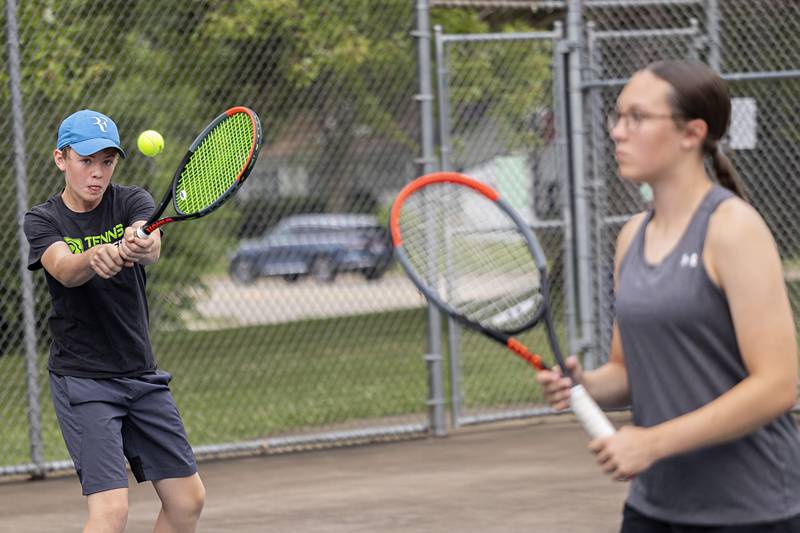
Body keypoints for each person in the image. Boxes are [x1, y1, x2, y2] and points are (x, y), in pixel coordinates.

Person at [537, 60, 800, 531]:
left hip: (752, 509)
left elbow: (778, 385)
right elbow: (626, 371)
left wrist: (652, 442)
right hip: (655, 506)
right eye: (617, 117)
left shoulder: (733, 229)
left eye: (636, 117)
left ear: (691, 132)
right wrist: (586, 385)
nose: (618, 132)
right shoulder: (631, 237)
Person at [23, 109, 205, 533]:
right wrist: (94, 257)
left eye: (107, 161)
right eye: (86, 160)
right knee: (111, 514)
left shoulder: (131, 201)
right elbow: (65, 268)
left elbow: (150, 241)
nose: (97, 173)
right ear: (60, 159)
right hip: (83, 379)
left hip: (140, 373)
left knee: (187, 501)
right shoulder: (43, 219)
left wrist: (135, 243)